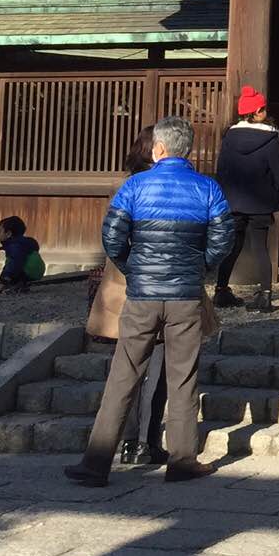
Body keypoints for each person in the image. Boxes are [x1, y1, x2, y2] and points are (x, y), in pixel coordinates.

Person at [66, 115, 233, 486]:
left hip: (141, 295)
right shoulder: (208, 189)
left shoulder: (135, 187)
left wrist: (132, 267)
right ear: (186, 149)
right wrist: (199, 266)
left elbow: (112, 237)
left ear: (158, 148)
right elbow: (223, 239)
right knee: (183, 377)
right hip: (186, 296)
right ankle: (182, 459)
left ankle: (96, 463)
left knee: (124, 375)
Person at [85, 131, 168, 467]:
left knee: (127, 367)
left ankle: (128, 440)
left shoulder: (124, 186)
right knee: (157, 365)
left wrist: (126, 266)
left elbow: (112, 238)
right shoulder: (164, 186)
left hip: (124, 281)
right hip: (160, 282)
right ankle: (147, 440)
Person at [213, 85, 279, 310]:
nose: (265, 112)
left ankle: (221, 291)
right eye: (263, 109)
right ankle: (265, 295)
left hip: (232, 201)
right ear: (257, 112)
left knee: (232, 246)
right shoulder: (270, 138)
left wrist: (219, 198)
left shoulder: (229, 137)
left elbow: (222, 169)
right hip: (260, 202)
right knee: (261, 248)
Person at [0, 216, 41, 293]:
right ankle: (22, 285)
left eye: (0, 231)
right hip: (38, 270)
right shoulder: (25, 242)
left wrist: (5, 277)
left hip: (28, 270)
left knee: (12, 264)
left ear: (8, 234)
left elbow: (15, 262)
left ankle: (14, 286)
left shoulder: (14, 245)